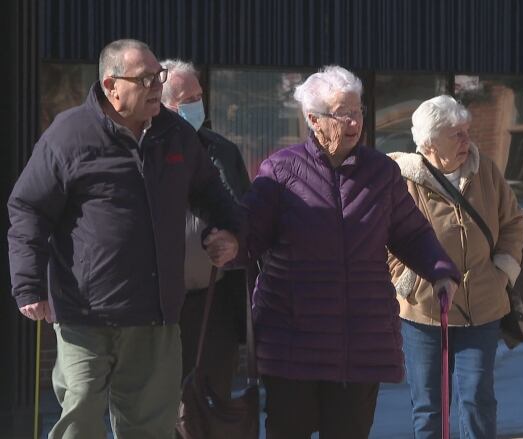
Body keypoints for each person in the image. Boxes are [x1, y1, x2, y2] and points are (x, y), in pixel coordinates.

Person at [7, 39, 242, 439]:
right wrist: (28, 284)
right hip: (85, 313)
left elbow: (213, 194)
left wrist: (231, 233)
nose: (156, 86)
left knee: (150, 427)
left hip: (155, 315)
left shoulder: (176, 136)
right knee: (79, 417)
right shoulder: (69, 135)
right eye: (145, 78)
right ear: (111, 85)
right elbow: (29, 209)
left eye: (159, 76)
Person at [242, 65, 461, 439]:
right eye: (342, 113)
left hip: (359, 342)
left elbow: (411, 232)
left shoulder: (381, 172)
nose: (353, 121)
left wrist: (440, 269)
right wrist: (223, 241)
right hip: (293, 341)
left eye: (357, 111)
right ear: (313, 120)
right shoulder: (280, 171)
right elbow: (248, 238)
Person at [387, 95, 523, 439]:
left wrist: (501, 273)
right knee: (429, 406)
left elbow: (515, 222)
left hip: (483, 306)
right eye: (457, 134)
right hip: (424, 312)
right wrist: (409, 282)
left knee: (478, 400)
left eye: (467, 131)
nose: (468, 141)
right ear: (430, 143)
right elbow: (382, 238)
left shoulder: (486, 172)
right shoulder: (401, 180)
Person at [161, 58, 251, 400]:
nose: (198, 105)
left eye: (200, 96)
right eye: (188, 100)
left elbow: (244, 213)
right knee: (158, 401)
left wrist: (232, 237)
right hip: (156, 301)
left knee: (212, 400)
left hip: (213, 299)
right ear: (162, 102)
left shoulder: (221, 150)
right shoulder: (142, 148)